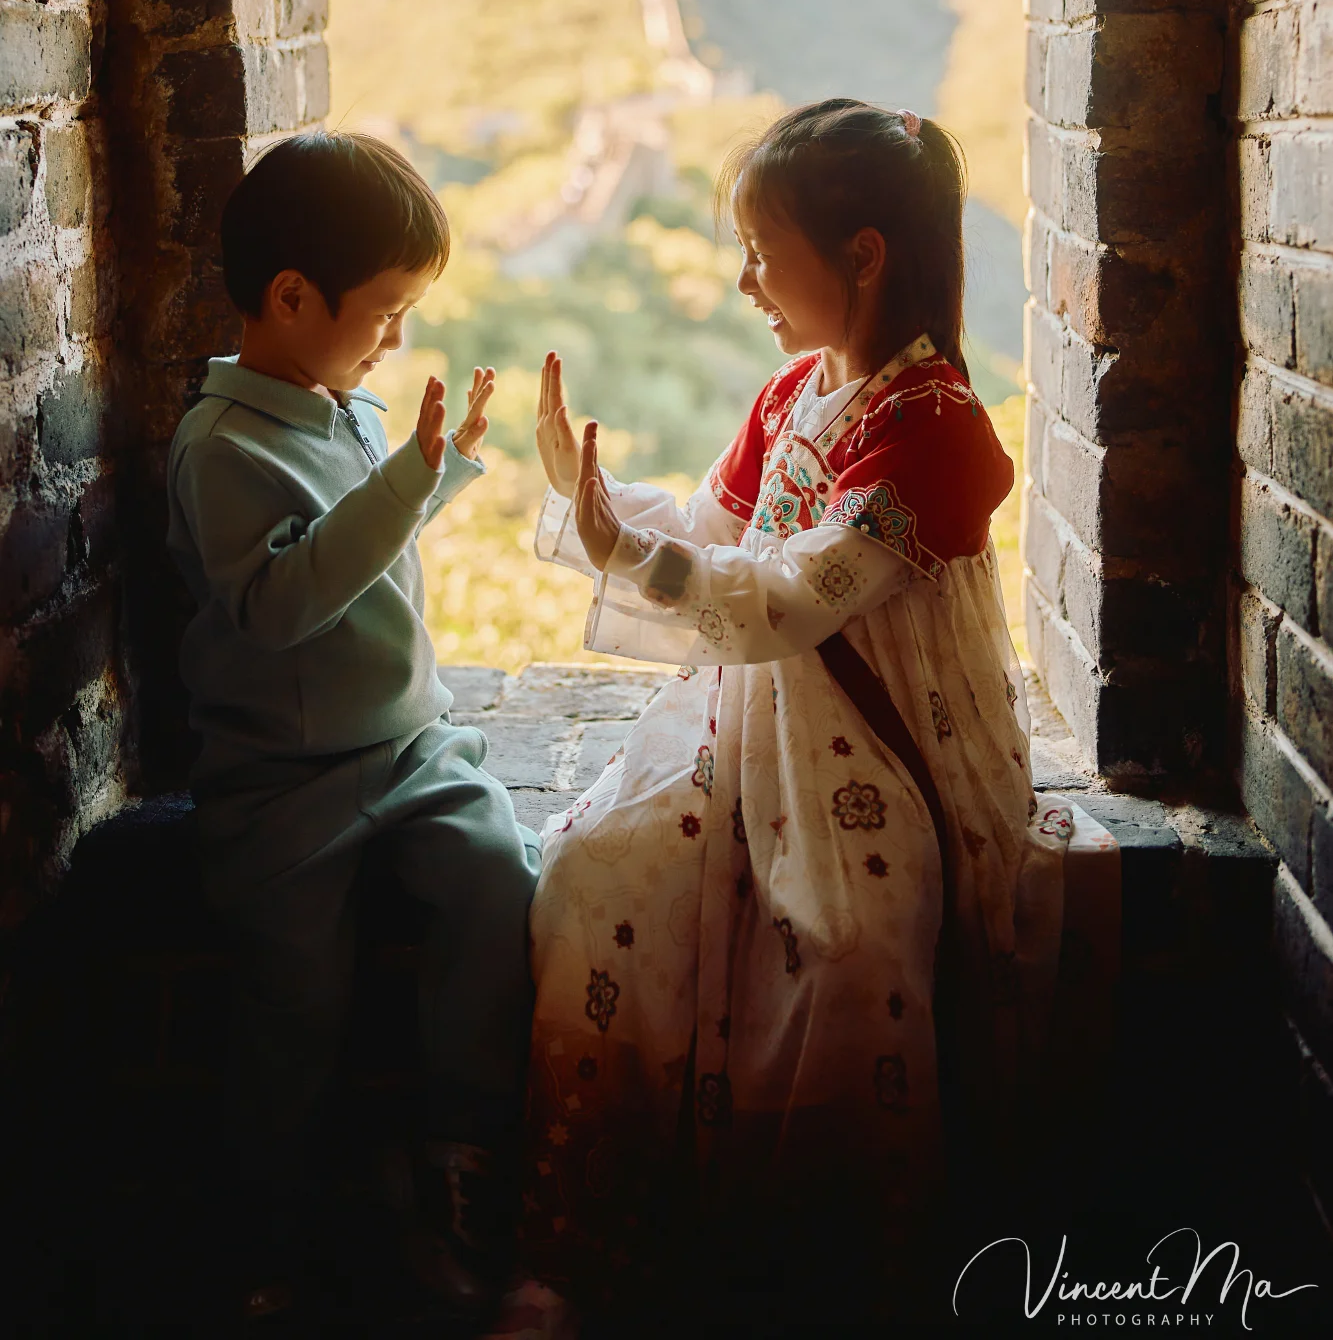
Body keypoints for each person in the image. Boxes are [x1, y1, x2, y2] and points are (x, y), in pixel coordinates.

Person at [514, 99, 1085, 1327]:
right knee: (586, 874)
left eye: (763, 252)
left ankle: (832, 1275)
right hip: (752, 742)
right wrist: (595, 507)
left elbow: (783, 602)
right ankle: (592, 1241)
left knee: (837, 947)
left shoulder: (934, 429)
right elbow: (725, 537)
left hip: (879, 766)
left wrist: (620, 547)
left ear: (862, 253)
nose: (744, 282)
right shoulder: (794, 393)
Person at [165, 131, 541, 1316]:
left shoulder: (346, 410)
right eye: (382, 310)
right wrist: (403, 480)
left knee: (498, 877)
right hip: (285, 783)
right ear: (289, 296)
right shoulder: (220, 448)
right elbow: (285, 603)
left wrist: (437, 472)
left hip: (409, 741)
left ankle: (460, 1149)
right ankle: (267, 1242)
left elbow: (368, 560)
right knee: (294, 1007)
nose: (393, 336)